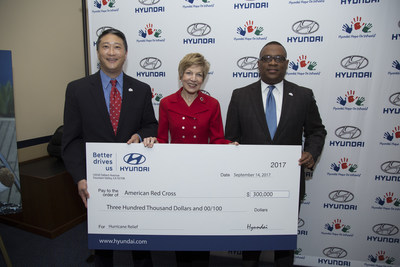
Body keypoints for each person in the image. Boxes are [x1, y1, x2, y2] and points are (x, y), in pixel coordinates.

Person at [225, 41, 327, 267]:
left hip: (288, 184)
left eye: (279, 58)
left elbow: (317, 131)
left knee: (284, 244)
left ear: (287, 63)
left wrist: (311, 152)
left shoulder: (303, 95)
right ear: (259, 64)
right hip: (250, 183)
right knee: (250, 242)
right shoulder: (240, 95)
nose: (273, 62)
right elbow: (231, 137)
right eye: (267, 58)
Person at [62, 28, 158, 267]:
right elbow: (71, 139)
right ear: (97, 51)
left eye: (117, 47)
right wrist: (80, 178)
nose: (111, 52)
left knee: (140, 240)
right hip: (97, 181)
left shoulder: (142, 89)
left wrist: (140, 135)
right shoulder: (77, 89)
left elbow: (150, 126)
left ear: (126, 53)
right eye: (105, 46)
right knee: (104, 246)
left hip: (135, 178)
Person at [143, 53, 236, 266]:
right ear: (180, 75)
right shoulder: (166, 103)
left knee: (202, 227)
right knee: (181, 227)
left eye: (199, 74)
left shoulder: (212, 104)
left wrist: (229, 146)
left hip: (204, 175)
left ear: (204, 79)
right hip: (176, 175)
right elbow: (161, 138)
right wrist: (152, 143)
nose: (193, 78)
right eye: (189, 73)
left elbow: (217, 139)